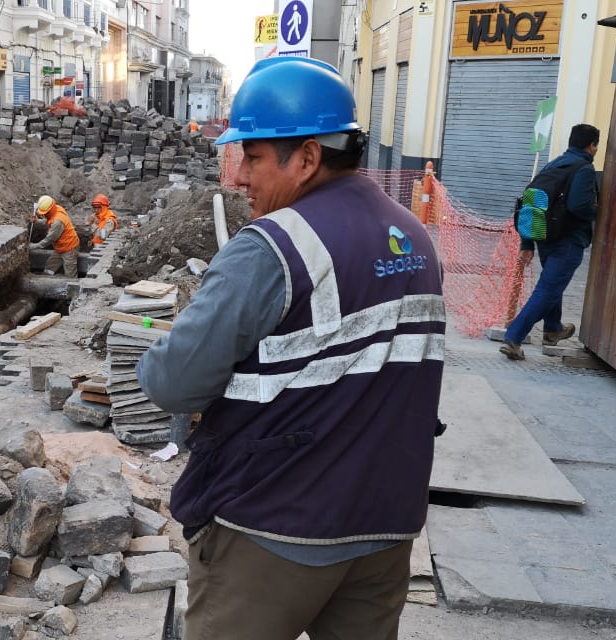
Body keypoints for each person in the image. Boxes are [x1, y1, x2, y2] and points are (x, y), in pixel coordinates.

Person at [137, 57, 446, 640]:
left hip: (276, 526)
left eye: (253, 157)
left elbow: (174, 382)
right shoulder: (417, 237)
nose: (239, 178)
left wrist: (158, 354)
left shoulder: (272, 248)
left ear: (306, 158)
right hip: (386, 523)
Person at [500, 124, 601, 360]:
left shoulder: (553, 164)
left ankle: (553, 329)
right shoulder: (584, 169)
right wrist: (598, 211)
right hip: (568, 241)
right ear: (592, 146)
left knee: (552, 284)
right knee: (547, 289)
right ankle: (513, 337)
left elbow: (532, 202)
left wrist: (527, 243)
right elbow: (578, 206)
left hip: (545, 237)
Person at [31, 195, 80, 277]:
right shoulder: (56, 209)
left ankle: (72, 285)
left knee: (70, 275)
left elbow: (50, 238)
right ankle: (46, 280)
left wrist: (35, 246)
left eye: (45, 213)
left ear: (50, 209)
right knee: (50, 267)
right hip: (60, 248)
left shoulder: (58, 221)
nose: (44, 215)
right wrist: (37, 221)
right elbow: (49, 221)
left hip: (69, 248)